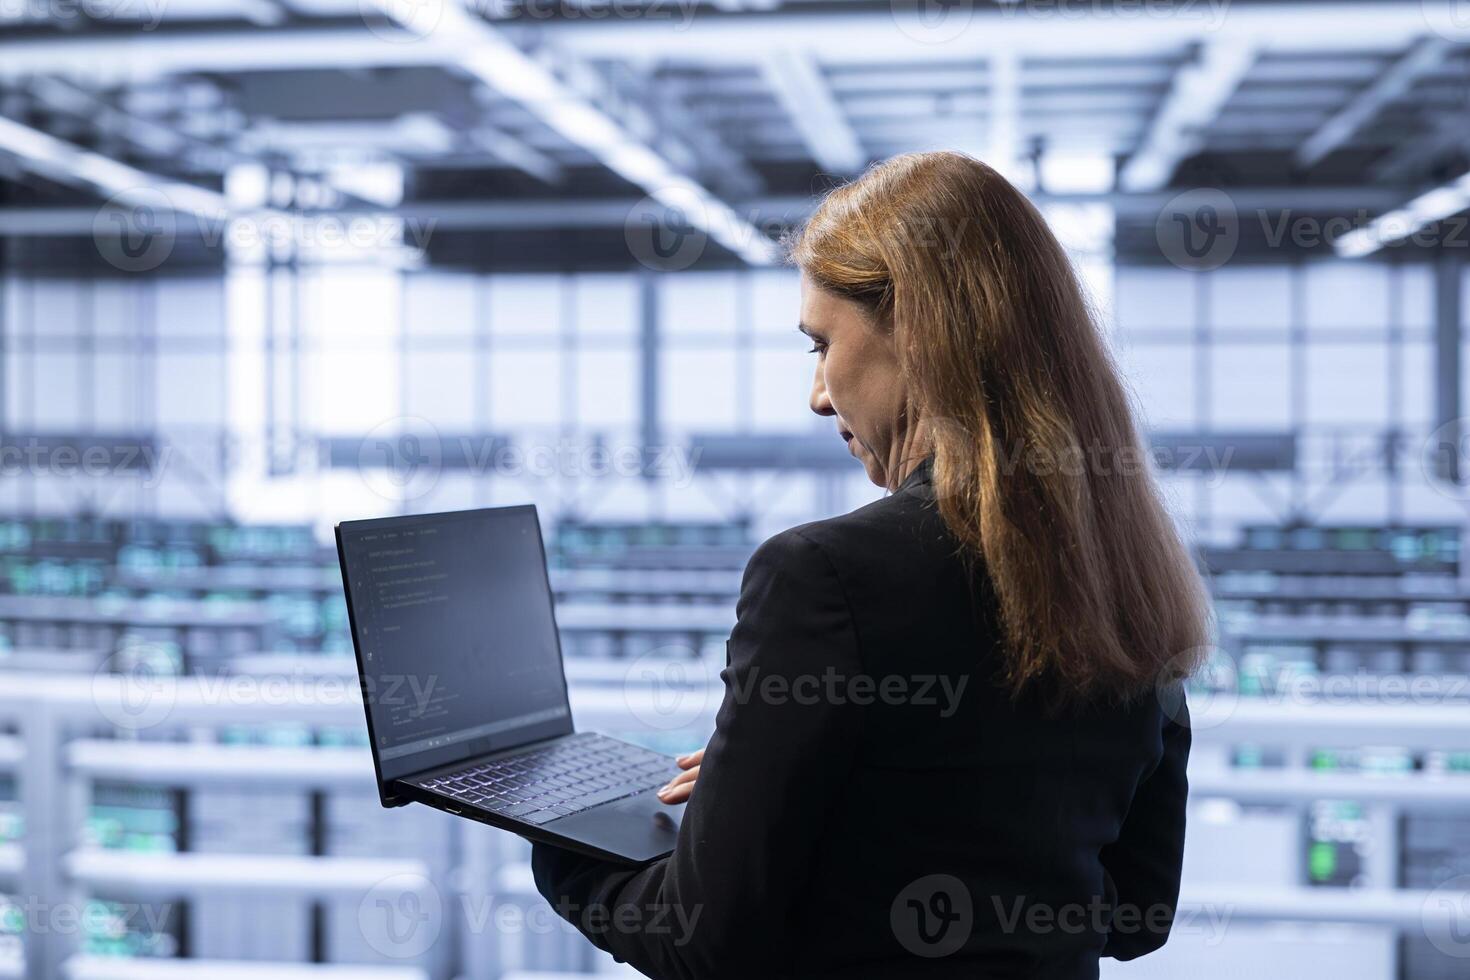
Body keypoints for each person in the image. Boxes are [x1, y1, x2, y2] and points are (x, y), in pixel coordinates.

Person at [531, 151, 1212, 979]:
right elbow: (1134, 909)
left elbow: (697, 940)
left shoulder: (821, 575)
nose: (819, 394)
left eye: (823, 345)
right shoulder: (1123, 572)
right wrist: (835, 804)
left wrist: (558, 838)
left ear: (922, 337)